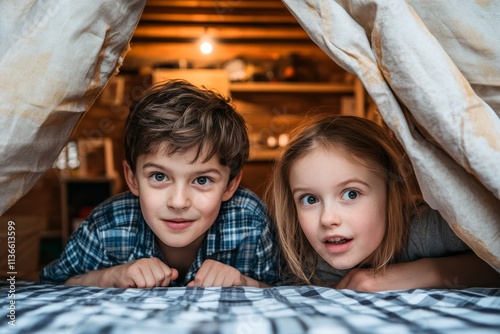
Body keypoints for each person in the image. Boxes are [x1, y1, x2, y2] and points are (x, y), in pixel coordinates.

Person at [40, 79, 279, 288]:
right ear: (132, 178)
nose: (178, 202)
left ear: (230, 185)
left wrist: (244, 282)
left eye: (202, 179)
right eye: (159, 176)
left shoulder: (250, 222)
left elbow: (287, 288)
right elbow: (53, 283)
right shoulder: (107, 225)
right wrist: (110, 276)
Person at [268, 114, 499, 291]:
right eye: (310, 199)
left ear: (393, 192)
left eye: (351, 194)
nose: (328, 219)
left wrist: (426, 272)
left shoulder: (427, 228)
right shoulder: (307, 264)